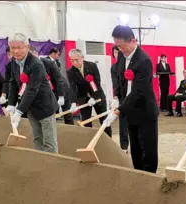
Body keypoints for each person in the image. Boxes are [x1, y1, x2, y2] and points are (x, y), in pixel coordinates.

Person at [109, 25, 159, 173]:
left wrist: (119, 110)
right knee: (135, 148)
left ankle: (150, 177)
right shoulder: (121, 59)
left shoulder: (144, 61)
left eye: (121, 46)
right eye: (117, 46)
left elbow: (138, 92)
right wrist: (116, 97)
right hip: (130, 112)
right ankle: (138, 174)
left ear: (132, 41)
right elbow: (119, 79)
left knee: (148, 149)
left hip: (145, 112)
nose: (119, 50)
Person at [6, 33, 58, 153]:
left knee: (49, 141)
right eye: (12, 48)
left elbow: (32, 89)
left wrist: (19, 111)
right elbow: (13, 82)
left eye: (19, 47)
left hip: (44, 106)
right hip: (30, 107)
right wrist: (11, 103)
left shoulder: (36, 64)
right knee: (37, 138)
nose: (15, 51)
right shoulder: (14, 62)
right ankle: (40, 163)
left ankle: (52, 165)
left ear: (27, 48)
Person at [66, 48, 111, 137]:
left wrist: (94, 97)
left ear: (82, 57)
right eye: (72, 60)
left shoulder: (92, 66)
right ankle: (89, 140)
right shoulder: (70, 71)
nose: (74, 63)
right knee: (86, 121)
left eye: (76, 60)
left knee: (104, 120)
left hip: (98, 96)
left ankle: (108, 139)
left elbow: (97, 82)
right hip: (83, 98)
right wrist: (73, 102)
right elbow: (73, 87)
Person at [111, 45, 129, 152]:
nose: (116, 54)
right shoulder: (113, 67)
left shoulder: (128, 65)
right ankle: (124, 146)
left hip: (132, 95)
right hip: (122, 97)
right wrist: (115, 97)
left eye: (118, 52)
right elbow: (115, 83)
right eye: (115, 52)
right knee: (123, 122)